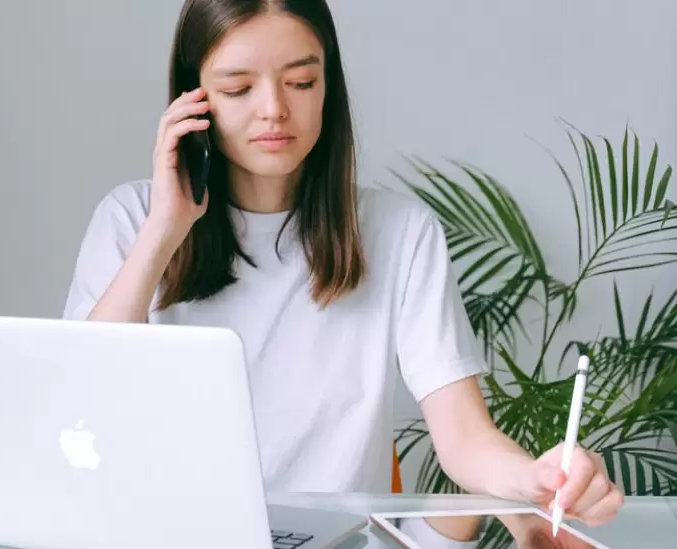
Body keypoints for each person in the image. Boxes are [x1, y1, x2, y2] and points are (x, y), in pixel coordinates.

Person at [62, 0, 623, 529]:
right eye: (237, 88)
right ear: (193, 101)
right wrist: (165, 228)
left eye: (301, 82)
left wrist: (536, 478)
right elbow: (80, 402)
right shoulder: (131, 219)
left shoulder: (400, 233)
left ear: (328, 86)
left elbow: (465, 440)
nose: (274, 109)